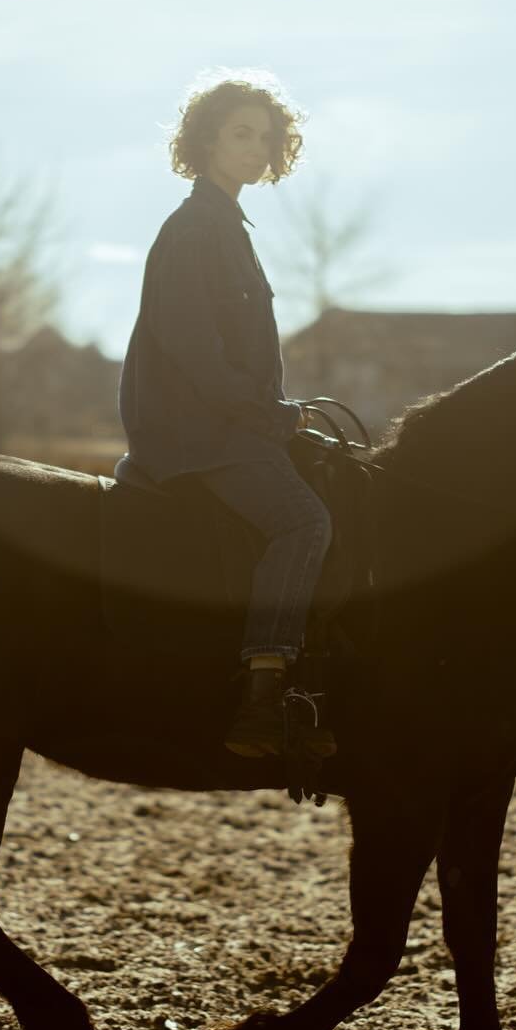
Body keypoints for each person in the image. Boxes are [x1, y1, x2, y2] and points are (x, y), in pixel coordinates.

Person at [117, 71, 336, 759]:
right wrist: (270, 414)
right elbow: (195, 352)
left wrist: (279, 414)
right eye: (241, 133)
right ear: (206, 138)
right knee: (305, 520)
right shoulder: (193, 229)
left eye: (266, 138)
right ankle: (263, 696)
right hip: (195, 433)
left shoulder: (227, 226)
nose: (255, 148)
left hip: (224, 423)